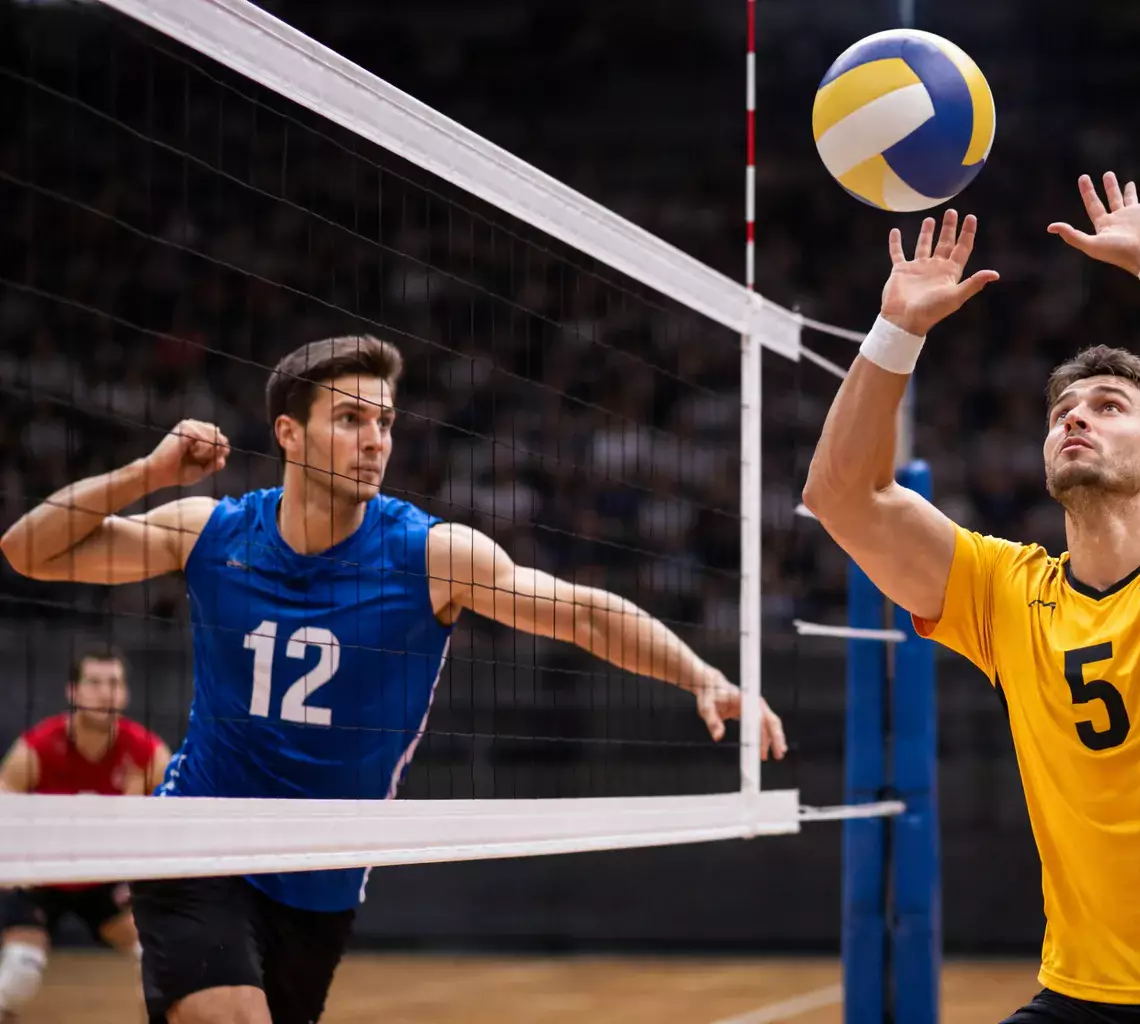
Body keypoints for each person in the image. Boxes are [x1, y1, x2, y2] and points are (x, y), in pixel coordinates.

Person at [0, 335, 788, 1024]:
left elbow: (579, 613)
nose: (375, 440)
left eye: (384, 422)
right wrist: (148, 472)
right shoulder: (213, 530)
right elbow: (28, 552)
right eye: (350, 419)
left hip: (322, 875)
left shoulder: (429, 556)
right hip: (198, 841)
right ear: (290, 434)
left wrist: (701, 676)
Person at [803, 174, 1140, 1022]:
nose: (1074, 420)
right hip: (1086, 997)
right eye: (1062, 410)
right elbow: (842, 498)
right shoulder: (1003, 591)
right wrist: (897, 330)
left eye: (1107, 406)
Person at [0, 648, 170, 1023]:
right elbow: (4, 807)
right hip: (42, 873)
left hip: (104, 877)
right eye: (94, 683)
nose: (105, 692)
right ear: (73, 692)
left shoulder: (147, 752)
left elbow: (169, 825)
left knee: (163, 966)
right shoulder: (38, 747)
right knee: (18, 974)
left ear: (125, 693)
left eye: (114, 683)